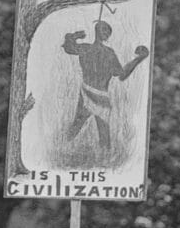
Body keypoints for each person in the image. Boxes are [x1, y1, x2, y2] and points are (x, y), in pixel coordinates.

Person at [62, 20, 150, 151]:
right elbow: (68, 48)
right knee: (77, 126)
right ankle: (60, 148)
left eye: (108, 32)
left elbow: (121, 74)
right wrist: (73, 36)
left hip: (101, 97)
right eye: (105, 30)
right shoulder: (86, 48)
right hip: (87, 93)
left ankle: (104, 159)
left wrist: (138, 59)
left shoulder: (108, 53)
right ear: (97, 31)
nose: (107, 34)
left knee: (103, 134)